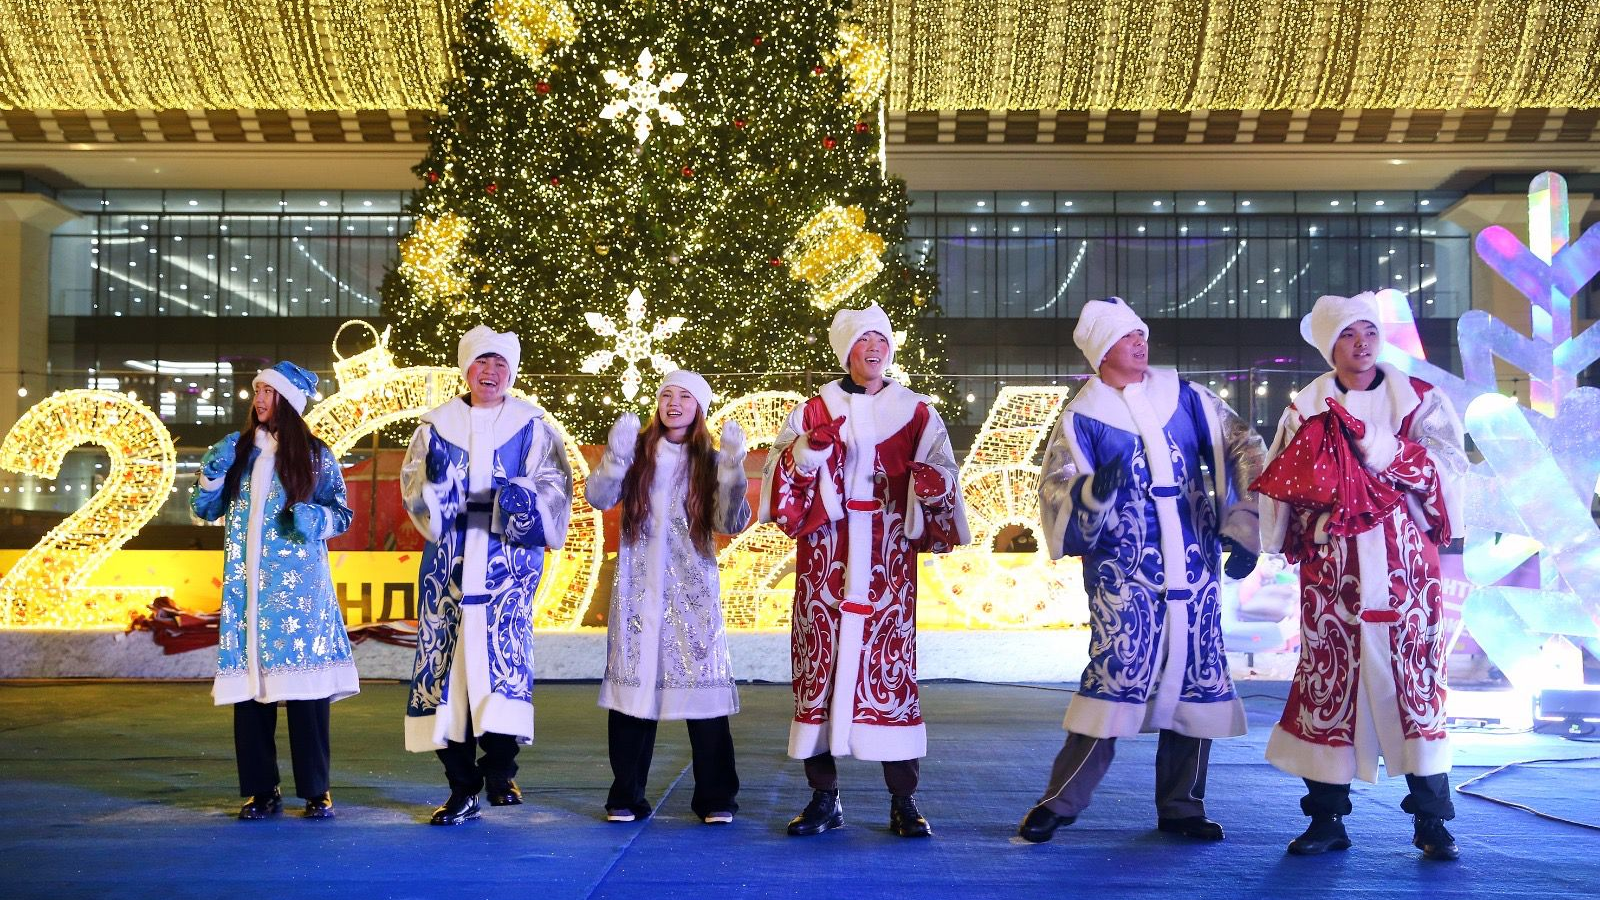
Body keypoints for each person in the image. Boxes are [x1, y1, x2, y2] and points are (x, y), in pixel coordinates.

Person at [1019, 297, 1265, 844]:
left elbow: (1243, 446)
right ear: (1102, 350)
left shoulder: (1187, 396)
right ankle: (1060, 803)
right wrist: (1091, 493)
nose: (1140, 342)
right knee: (1113, 678)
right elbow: (1058, 490)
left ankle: (1183, 806)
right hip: (1123, 577)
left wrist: (1245, 523)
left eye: (1141, 334)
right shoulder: (1082, 417)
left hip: (1194, 566)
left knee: (1195, 678)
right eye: (1127, 336)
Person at [1260, 292, 1466, 861]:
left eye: (1369, 332)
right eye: (1349, 335)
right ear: (1332, 346)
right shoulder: (1305, 408)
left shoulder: (1419, 400)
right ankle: (1326, 820)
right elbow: (1284, 485)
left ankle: (1432, 821)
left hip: (1406, 571)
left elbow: (1450, 470)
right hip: (1335, 573)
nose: (1362, 344)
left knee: (1415, 686)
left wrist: (1380, 450)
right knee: (1330, 682)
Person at [760, 303, 969, 838]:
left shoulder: (916, 412)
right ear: (846, 350)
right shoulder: (813, 410)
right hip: (826, 569)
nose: (874, 348)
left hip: (886, 570)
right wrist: (808, 452)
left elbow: (945, 474)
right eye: (863, 340)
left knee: (890, 674)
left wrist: (931, 485)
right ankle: (823, 797)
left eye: (881, 339)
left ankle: (904, 800)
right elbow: (779, 480)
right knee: (820, 672)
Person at [399, 326, 573, 825]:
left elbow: (555, 485)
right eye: (481, 362)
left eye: (500, 364)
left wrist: (520, 496)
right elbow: (414, 487)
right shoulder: (436, 426)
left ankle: (500, 771)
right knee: (445, 675)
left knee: (501, 671)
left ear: (511, 372)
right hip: (449, 569)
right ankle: (462, 785)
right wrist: (436, 491)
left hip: (505, 570)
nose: (490, 372)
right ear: (466, 368)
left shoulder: (531, 425)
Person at [192, 361, 358, 820]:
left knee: (306, 695)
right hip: (246, 592)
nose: (259, 399)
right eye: (257, 391)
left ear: (288, 401)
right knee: (251, 693)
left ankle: (317, 791)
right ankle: (261, 791)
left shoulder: (316, 455)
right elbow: (205, 509)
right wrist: (210, 473)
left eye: (269, 391)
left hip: (299, 594)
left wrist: (316, 518)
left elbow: (342, 512)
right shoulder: (239, 452)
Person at [586, 370, 751, 825]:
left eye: (685, 397)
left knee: (705, 696)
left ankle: (716, 798)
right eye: (666, 395)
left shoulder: (709, 459)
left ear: (699, 408)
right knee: (633, 691)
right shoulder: (637, 453)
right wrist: (616, 458)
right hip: (638, 592)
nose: (673, 403)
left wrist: (732, 469)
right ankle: (625, 795)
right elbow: (598, 498)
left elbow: (730, 522)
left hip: (691, 593)